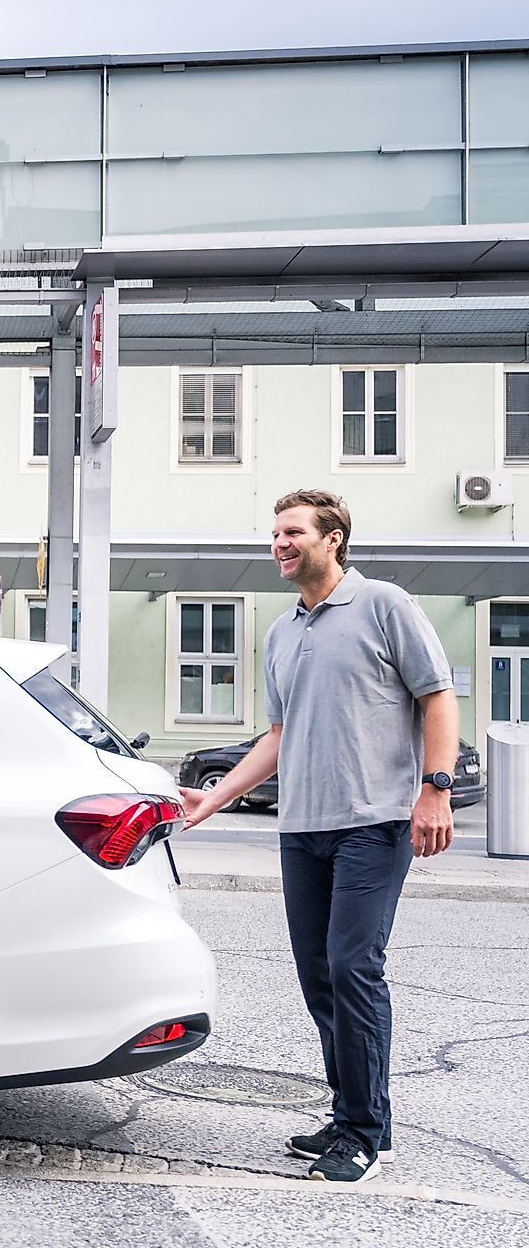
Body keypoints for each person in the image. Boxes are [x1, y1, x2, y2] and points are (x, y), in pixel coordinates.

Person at [182, 490, 457, 1185]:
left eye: (293, 530)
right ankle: (358, 1116)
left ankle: (363, 1136)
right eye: (274, 532)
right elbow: (278, 735)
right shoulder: (282, 632)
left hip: (373, 823)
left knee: (352, 968)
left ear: (333, 539)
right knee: (319, 980)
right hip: (302, 827)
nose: (278, 542)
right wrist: (216, 795)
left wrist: (435, 787)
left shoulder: (385, 605)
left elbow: (437, 694)